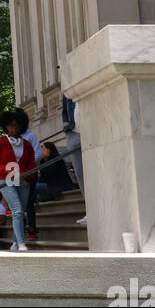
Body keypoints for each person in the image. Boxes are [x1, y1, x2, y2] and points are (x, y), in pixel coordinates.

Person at [0, 110, 36, 252]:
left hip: (23, 181)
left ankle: (15, 243)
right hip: (6, 180)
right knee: (17, 210)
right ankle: (21, 244)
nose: (13, 128)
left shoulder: (27, 145)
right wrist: (6, 170)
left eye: (16, 125)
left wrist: (28, 176)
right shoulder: (0, 143)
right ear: (6, 126)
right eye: (10, 125)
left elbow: (31, 163)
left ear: (21, 126)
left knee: (20, 212)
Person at [13, 107, 45, 241]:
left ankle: (32, 229)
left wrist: (25, 167)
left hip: (29, 175)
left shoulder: (30, 136)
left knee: (28, 203)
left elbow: (39, 154)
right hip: (14, 175)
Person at [62, 95, 87, 225]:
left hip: (91, 130)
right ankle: (89, 209)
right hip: (74, 133)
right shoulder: (67, 90)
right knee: (80, 174)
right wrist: (67, 128)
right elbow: (65, 111)